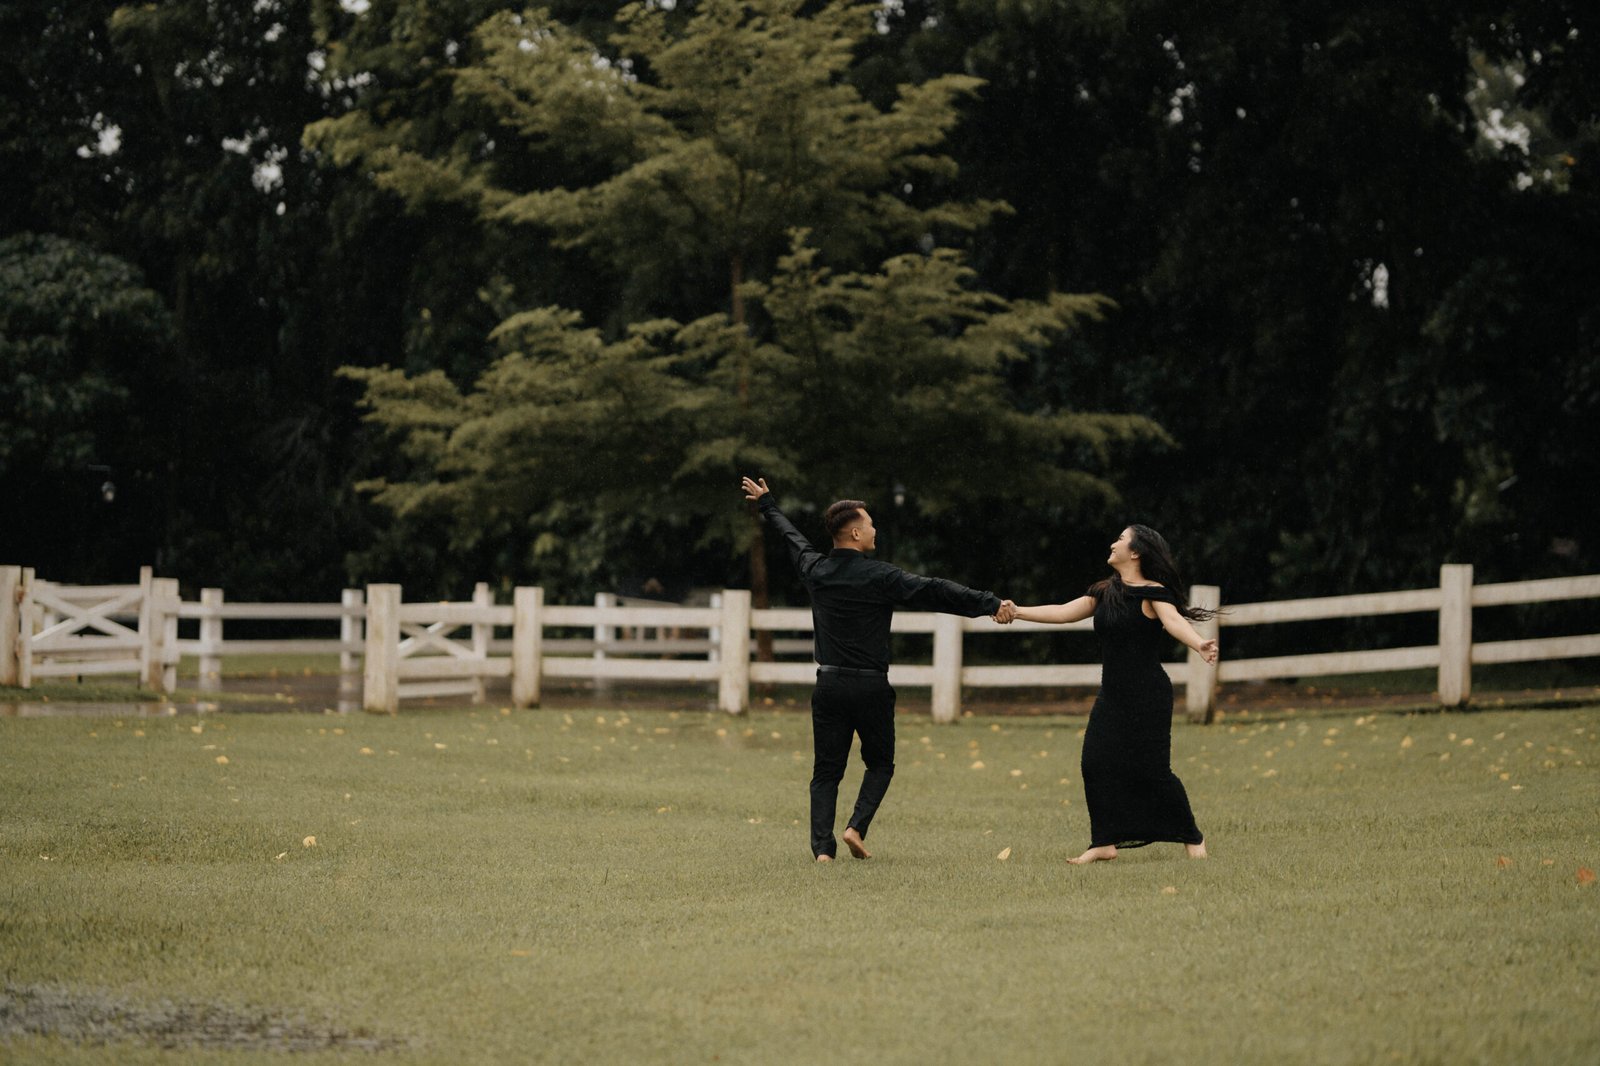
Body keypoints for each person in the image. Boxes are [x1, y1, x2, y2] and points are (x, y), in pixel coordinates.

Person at [741, 476, 1016, 863]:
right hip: (871, 687)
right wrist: (989, 603)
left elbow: (793, 539)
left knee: (826, 772)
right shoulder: (881, 576)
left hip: (829, 685)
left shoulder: (815, 569)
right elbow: (935, 590)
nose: (875, 529)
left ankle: (823, 851)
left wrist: (768, 504)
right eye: (870, 524)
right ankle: (855, 828)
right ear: (855, 533)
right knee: (881, 765)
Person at [999, 525, 1219, 864]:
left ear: (1136, 552)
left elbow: (1174, 622)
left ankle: (1192, 837)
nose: (1113, 544)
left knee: (1153, 771)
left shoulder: (1154, 593)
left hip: (1148, 695)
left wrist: (1198, 643)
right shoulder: (1105, 592)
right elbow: (1063, 612)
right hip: (1112, 695)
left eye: (1121, 539)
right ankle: (1103, 842)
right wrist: (1017, 611)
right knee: (1094, 763)